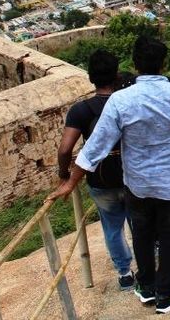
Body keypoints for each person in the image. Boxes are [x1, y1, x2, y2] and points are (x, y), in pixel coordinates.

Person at [48, 36, 170, 315]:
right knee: (169, 237)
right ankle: (165, 296)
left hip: (137, 184)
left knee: (140, 235)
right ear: (163, 64)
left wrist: (70, 181)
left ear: (134, 64)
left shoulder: (120, 101)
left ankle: (147, 288)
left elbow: (95, 146)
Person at [56, 50, 134, 291]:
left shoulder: (82, 110)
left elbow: (65, 149)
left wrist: (64, 175)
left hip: (101, 179)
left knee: (112, 228)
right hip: (131, 174)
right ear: (116, 75)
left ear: (91, 78)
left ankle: (124, 273)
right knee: (138, 222)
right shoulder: (127, 102)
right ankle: (149, 262)